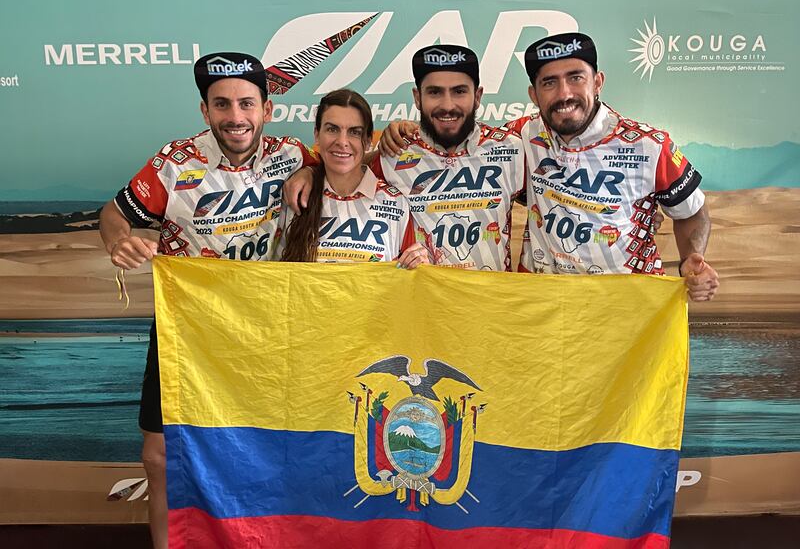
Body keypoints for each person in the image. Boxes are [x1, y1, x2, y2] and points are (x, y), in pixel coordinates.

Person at [98, 52, 316, 549]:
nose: (235, 117)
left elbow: (353, 156)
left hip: (267, 326)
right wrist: (118, 241)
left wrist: (311, 173)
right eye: (222, 105)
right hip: (187, 328)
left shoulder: (295, 153)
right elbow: (113, 211)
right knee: (157, 455)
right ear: (204, 111)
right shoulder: (174, 162)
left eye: (246, 103)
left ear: (267, 108)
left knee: (265, 448)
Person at [285, 45, 527, 271]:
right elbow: (345, 168)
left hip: (491, 307)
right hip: (423, 305)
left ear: (478, 96)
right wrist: (311, 171)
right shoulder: (395, 153)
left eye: (459, 91)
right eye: (434, 92)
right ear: (417, 97)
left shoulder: (512, 148)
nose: (447, 105)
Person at [519, 32, 718, 301]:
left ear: (598, 82)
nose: (565, 94)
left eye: (576, 78)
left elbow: (693, 212)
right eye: (549, 83)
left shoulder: (648, 145)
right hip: (545, 304)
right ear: (534, 94)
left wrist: (690, 261)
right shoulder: (520, 137)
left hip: (629, 308)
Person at [279, 88, 428, 269]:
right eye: (332, 129)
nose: (342, 141)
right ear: (317, 134)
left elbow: (408, 280)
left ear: (367, 141)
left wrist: (418, 264)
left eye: (354, 132)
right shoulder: (295, 194)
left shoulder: (396, 202)